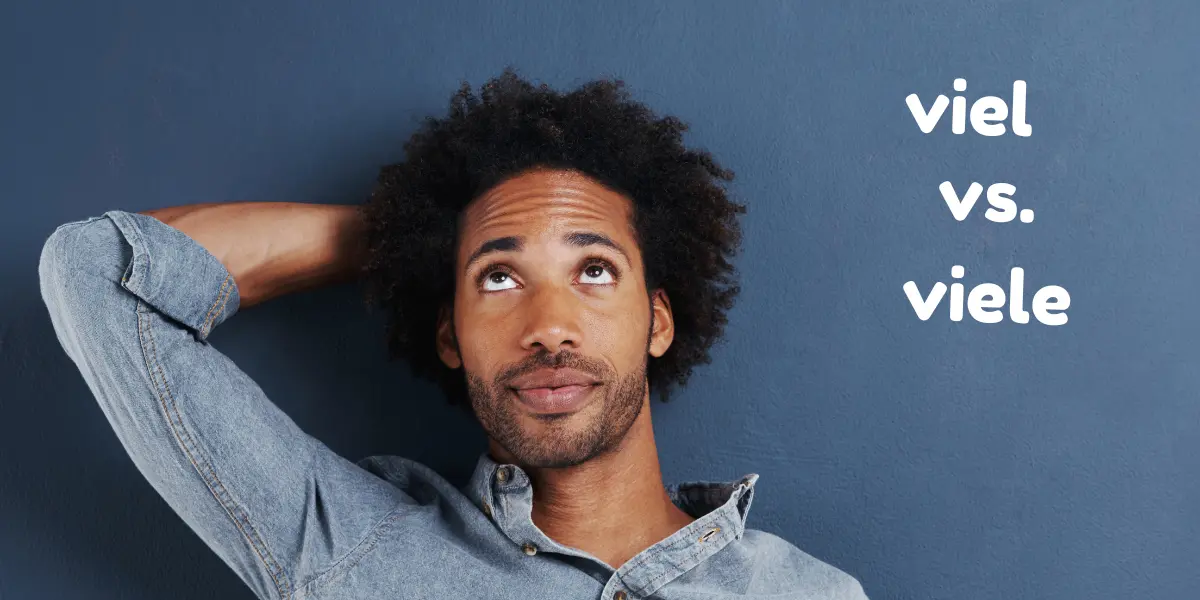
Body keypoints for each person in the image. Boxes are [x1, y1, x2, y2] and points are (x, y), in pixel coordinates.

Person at [38, 68, 868, 600]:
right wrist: (412, 243)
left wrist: (466, 250)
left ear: (657, 318)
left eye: (594, 271)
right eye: (499, 280)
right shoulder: (348, 550)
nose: (548, 327)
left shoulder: (811, 594)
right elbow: (98, 275)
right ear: (449, 334)